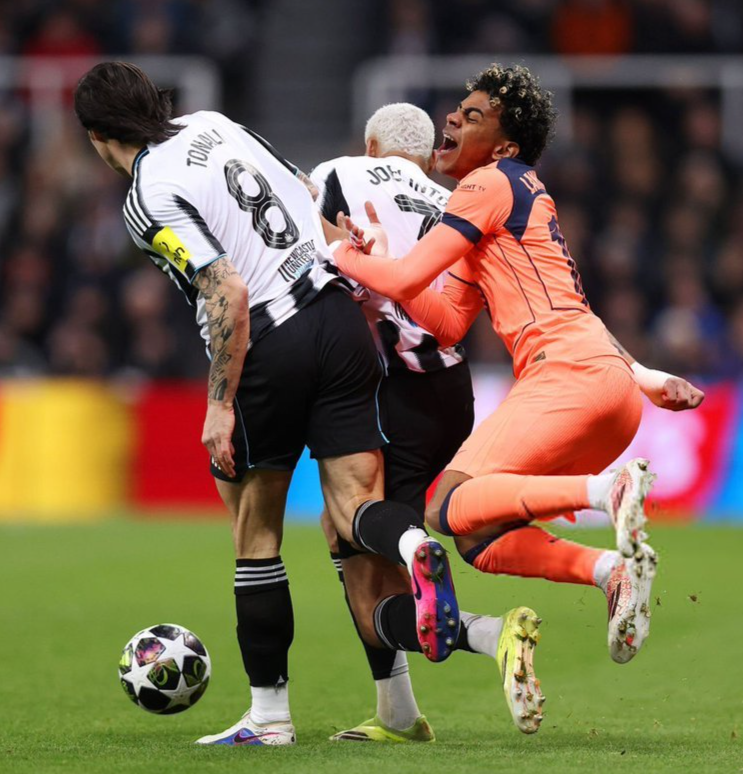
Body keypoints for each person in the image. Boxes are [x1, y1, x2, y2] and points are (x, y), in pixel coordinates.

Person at [73, 62, 492, 748]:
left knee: (255, 532)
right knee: (353, 510)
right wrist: (340, 240)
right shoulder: (214, 124)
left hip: (271, 341)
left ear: (96, 135)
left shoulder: (146, 195)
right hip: (339, 319)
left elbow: (226, 290)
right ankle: (412, 559)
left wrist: (220, 403)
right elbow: (303, 189)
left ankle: (269, 717)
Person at [331, 63, 705, 668]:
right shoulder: (505, 199)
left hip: (567, 378)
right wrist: (379, 265)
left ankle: (606, 490)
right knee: (478, 535)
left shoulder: (488, 184)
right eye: (459, 109)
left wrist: (341, 252)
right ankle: (609, 571)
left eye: (472, 115)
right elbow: (447, 322)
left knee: (444, 505)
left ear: (504, 147)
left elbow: (402, 278)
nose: (452, 118)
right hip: (605, 387)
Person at [311, 103, 542, 741]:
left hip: (388, 386)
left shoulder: (338, 174)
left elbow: (309, 255)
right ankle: (400, 712)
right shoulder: (450, 200)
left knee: (356, 537)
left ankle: (480, 637)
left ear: (371, 144)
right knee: (357, 537)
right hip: (452, 389)